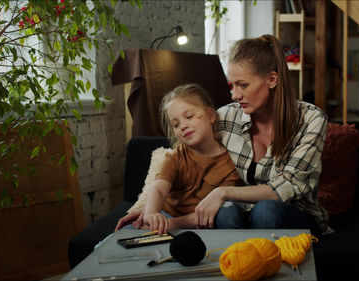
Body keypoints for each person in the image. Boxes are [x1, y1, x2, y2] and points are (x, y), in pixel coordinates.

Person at [193, 34, 333, 235]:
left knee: (266, 210)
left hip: (294, 216)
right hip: (243, 213)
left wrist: (223, 192)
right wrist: (149, 206)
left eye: (243, 85)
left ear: (272, 79)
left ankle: (266, 265)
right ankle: (236, 265)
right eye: (232, 85)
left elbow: (290, 185)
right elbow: (179, 156)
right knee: (224, 213)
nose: (235, 95)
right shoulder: (225, 117)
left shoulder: (311, 119)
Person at [114, 83, 241, 234]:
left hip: (199, 223)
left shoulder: (231, 164)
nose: (183, 126)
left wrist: (169, 225)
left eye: (189, 116)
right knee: (124, 235)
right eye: (176, 124)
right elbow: (159, 190)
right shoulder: (176, 158)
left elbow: (209, 214)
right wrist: (151, 213)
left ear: (211, 115)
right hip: (167, 216)